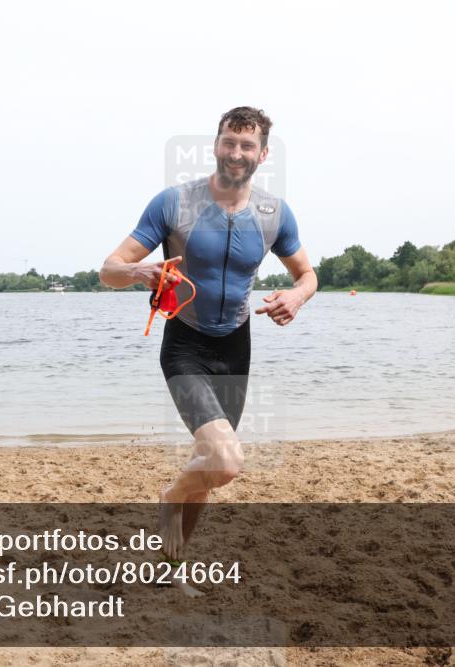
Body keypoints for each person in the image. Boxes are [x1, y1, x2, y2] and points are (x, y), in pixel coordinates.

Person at [100, 107, 318, 561]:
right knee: (225, 461)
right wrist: (140, 271)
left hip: (236, 347)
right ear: (216, 145)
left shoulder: (275, 213)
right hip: (186, 344)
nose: (236, 153)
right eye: (228, 142)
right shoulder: (174, 203)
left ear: (263, 154)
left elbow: (307, 275)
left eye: (247, 145)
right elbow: (109, 270)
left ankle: (171, 568)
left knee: (211, 467)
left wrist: (297, 297)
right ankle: (170, 495)